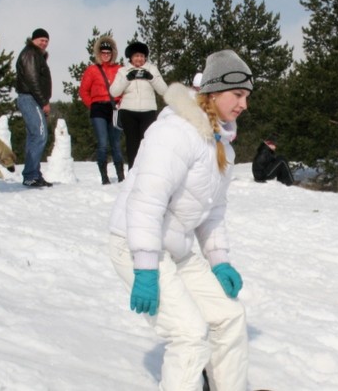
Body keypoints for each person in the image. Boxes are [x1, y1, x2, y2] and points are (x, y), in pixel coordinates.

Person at [108, 49, 252, 390]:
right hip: (136, 244)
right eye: (238, 95)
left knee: (229, 318)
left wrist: (219, 261)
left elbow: (212, 212)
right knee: (189, 334)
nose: (244, 104)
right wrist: (145, 268)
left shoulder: (223, 147)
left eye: (247, 96)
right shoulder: (175, 132)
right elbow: (146, 201)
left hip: (176, 247)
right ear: (213, 92)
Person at [109, 41, 168, 168]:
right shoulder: (123, 71)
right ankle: (132, 171)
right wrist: (127, 79)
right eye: (136, 56)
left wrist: (151, 78)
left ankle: (147, 170)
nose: (139, 59)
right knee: (132, 143)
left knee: (147, 142)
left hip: (148, 111)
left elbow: (163, 90)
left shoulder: (152, 69)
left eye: (142, 56)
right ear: (130, 57)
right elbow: (114, 92)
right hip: (128, 112)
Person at [79, 36, 124, 184]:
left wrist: (122, 102)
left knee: (116, 143)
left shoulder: (119, 69)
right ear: (98, 53)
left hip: (115, 107)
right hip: (98, 107)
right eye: (103, 52)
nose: (106, 55)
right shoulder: (92, 70)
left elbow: (125, 88)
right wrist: (91, 105)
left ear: (113, 54)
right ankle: (104, 177)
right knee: (103, 142)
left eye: (108, 52)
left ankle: (121, 176)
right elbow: (83, 91)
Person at [15, 28, 53, 188]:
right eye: (40, 40)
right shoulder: (30, 54)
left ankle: (34, 174)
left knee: (34, 137)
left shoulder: (36, 55)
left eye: (46, 40)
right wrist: (43, 101)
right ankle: (30, 175)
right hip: (30, 98)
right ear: (33, 40)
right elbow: (33, 80)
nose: (43, 43)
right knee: (39, 135)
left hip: (32, 99)